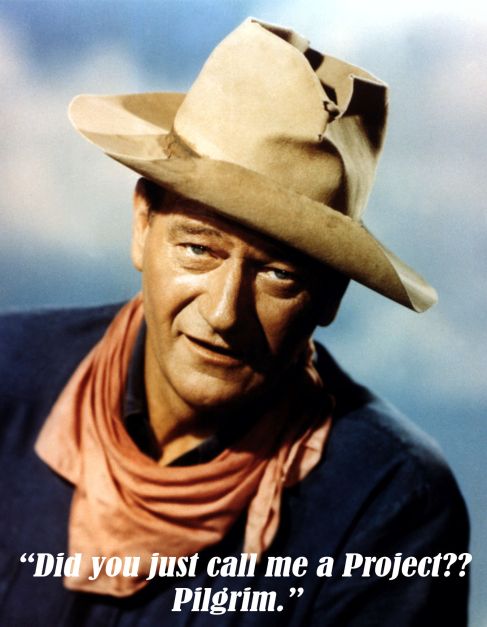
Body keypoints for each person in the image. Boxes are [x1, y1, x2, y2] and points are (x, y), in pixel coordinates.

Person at [0, 17, 469, 626]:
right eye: (199, 248)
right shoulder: (10, 375)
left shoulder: (390, 503)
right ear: (142, 225)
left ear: (330, 297)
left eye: (279, 275)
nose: (223, 313)